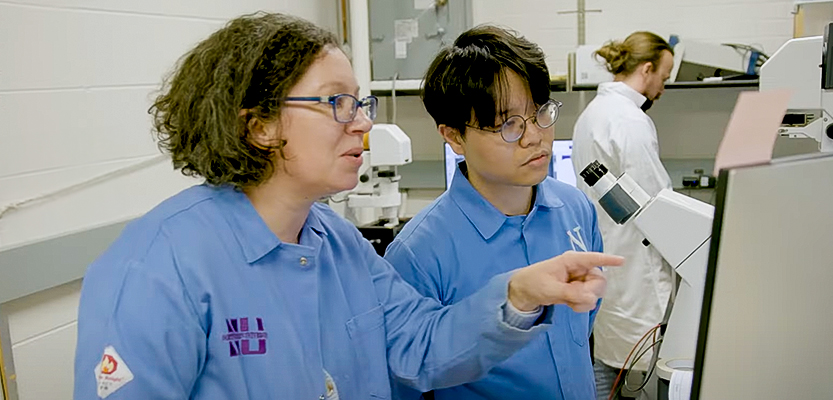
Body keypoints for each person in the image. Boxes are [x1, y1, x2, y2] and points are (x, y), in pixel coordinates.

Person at [72, 13, 622, 400]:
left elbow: (423, 347)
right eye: (337, 102)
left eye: (360, 102)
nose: (362, 122)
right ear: (259, 123)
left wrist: (518, 295)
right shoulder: (158, 269)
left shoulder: (336, 245)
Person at [384, 26, 603, 400]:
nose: (534, 136)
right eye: (507, 125)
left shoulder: (575, 209)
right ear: (453, 136)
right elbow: (406, 382)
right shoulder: (418, 254)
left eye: (539, 113)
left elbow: (582, 331)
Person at [571, 31, 675, 399]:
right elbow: (658, 205)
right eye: (663, 77)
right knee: (642, 376)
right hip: (637, 273)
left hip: (611, 265)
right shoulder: (629, 120)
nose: (663, 88)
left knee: (608, 371)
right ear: (647, 70)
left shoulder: (592, 114)